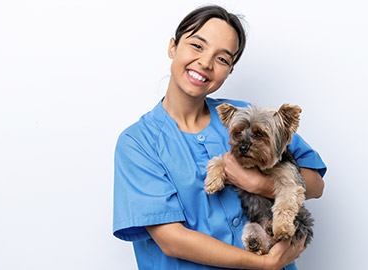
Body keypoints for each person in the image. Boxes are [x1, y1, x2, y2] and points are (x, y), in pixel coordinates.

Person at [113, 5, 326, 270]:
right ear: (172, 47)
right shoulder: (137, 143)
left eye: (223, 59)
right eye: (197, 46)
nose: (205, 63)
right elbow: (171, 240)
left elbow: (316, 184)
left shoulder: (249, 117)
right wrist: (265, 264)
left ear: (230, 70)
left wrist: (258, 183)